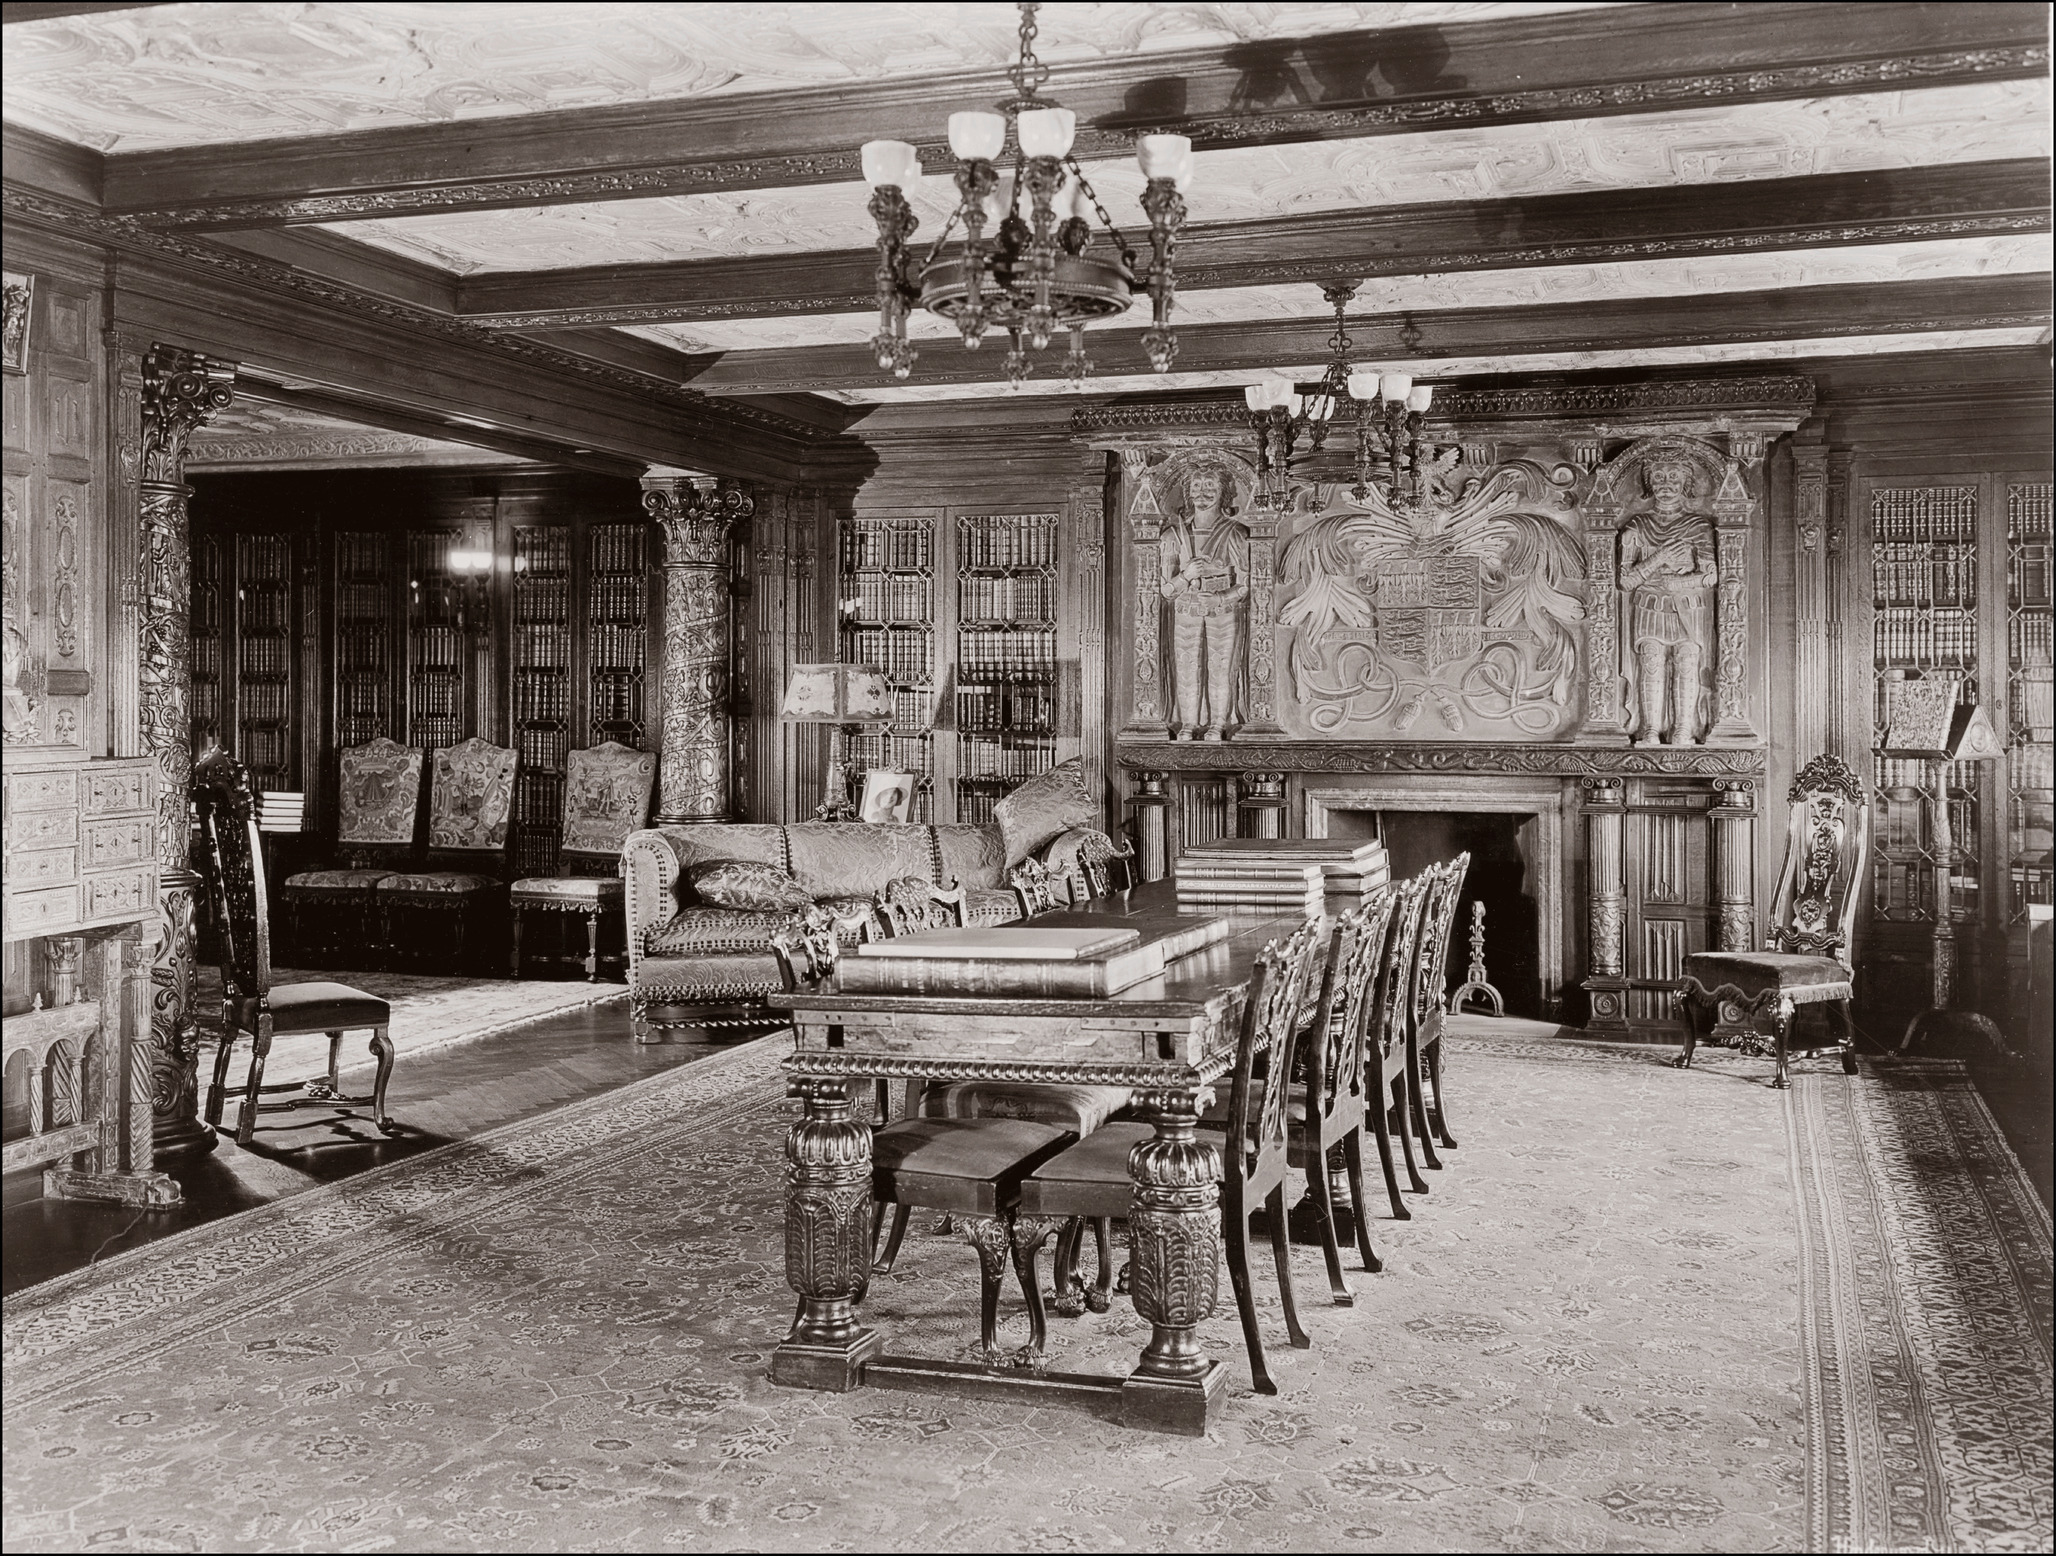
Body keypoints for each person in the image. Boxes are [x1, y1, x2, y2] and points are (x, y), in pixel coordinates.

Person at [1618, 454, 1718, 746]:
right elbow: (1625, 580)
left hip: (1687, 605)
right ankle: (1650, 729)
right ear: (1649, 483)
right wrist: (1659, 558)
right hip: (1649, 604)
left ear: (1686, 482)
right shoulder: (1637, 526)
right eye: (1659, 478)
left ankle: (1683, 729)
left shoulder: (1698, 527)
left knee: (1686, 661)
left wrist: (1677, 581)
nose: (1666, 484)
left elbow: (1709, 575)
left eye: (1674, 477)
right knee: (1651, 660)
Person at [1158, 464, 1249, 740]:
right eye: (1196, 486)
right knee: (1186, 667)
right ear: (1187, 493)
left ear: (1223, 493)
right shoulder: (1173, 536)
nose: (1203, 493)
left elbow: (1247, 582)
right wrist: (1186, 575)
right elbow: (1165, 589)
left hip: (1222, 609)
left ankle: (1218, 723)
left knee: (1221, 666)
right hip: (1186, 607)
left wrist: (1223, 596)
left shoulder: (1235, 533)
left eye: (1210, 486)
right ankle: (1188, 723)